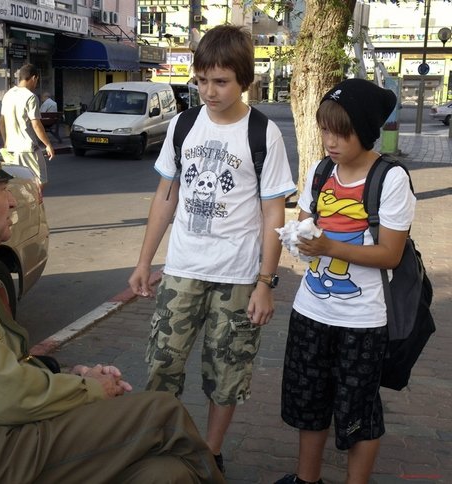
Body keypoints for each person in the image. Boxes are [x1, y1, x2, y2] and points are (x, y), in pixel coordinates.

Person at [0, 120, 226, 484]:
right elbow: (5, 394)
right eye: (2, 190)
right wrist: (90, 390)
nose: (10, 201)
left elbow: (1, 366)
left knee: (166, 474)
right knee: (161, 413)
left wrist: (69, 377)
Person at [128, 25, 296, 474]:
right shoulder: (184, 125)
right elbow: (166, 197)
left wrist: (266, 283)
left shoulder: (263, 133)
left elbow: (273, 213)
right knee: (161, 364)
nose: (208, 91)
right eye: (201, 80)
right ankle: (158, 445)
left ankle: (210, 453)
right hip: (183, 268)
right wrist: (145, 262)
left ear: (244, 79)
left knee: (227, 374)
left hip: (238, 277)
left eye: (220, 81)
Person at [276, 79, 416, 484]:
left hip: (363, 320)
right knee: (310, 404)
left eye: (341, 131)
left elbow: (390, 253)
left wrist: (328, 247)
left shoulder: (389, 179)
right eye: (325, 130)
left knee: (359, 413)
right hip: (311, 310)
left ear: (367, 131)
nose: (330, 141)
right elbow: (307, 227)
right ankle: (307, 480)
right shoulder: (322, 172)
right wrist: (298, 241)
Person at [0, 64, 53, 184]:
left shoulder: (8, 94)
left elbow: (2, 122)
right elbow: (36, 124)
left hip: (11, 149)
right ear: (34, 78)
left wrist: (6, 141)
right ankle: (34, 202)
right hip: (28, 149)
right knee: (40, 182)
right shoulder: (30, 97)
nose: (36, 84)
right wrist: (48, 144)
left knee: (17, 183)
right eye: (36, 81)